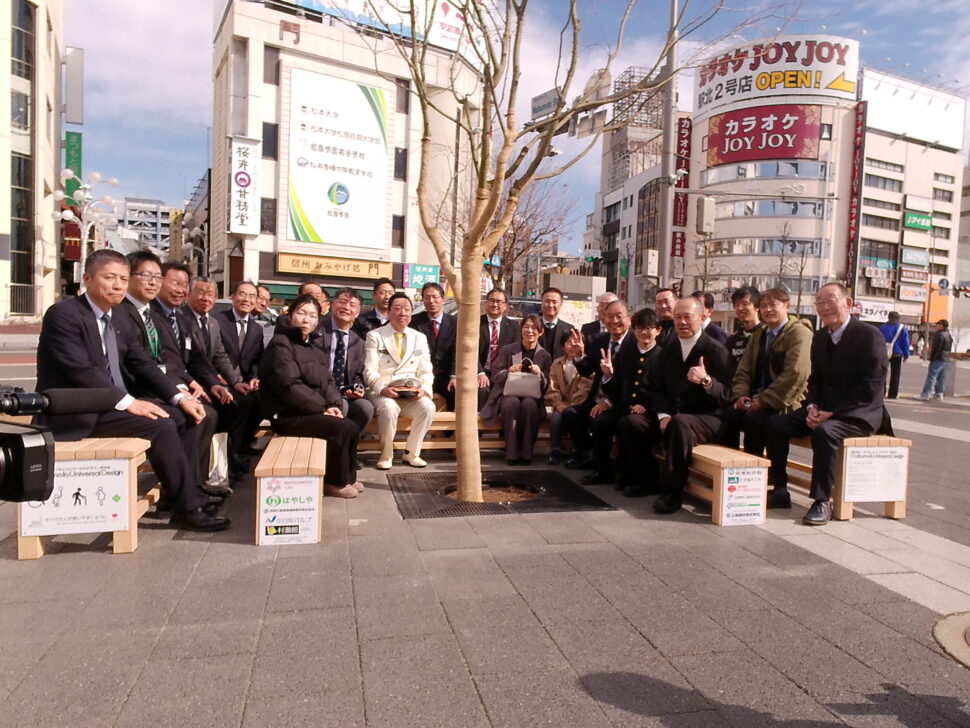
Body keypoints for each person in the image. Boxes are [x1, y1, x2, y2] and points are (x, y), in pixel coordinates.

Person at [34, 250, 229, 532]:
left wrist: (180, 397)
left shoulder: (119, 318)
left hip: (110, 406)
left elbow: (143, 363)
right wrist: (128, 402)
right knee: (160, 425)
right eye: (109, 277)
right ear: (87, 279)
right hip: (78, 411)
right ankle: (187, 508)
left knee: (183, 416)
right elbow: (82, 372)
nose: (118, 285)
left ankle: (181, 497)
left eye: (123, 279)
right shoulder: (64, 315)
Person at [764, 283, 887, 526]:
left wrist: (834, 413)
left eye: (830, 300)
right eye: (819, 302)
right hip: (824, 410)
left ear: (848, 303)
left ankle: (821, 501)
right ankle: (779, 489)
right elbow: (815, 379)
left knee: (825, 433)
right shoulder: (820, 337)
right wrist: (812, 406)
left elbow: (872, 384)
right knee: (776, 424)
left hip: (858, 413)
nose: (824, 307)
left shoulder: (869, 336)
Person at [118, 251, 218, 494]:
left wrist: (199, 382)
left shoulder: (172, 317)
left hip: (164, 384)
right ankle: (180, 493)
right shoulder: (128, 313)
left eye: (157, 277)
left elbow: (184, 359)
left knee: (209, 413)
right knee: (191, 416)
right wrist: (180, 389)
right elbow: (144, 364)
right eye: (147, 276)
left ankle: (195, 484)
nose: (154, 282)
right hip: (138, 392)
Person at [258, 294, 362, 498]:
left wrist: (334, 404)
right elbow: (290, 386)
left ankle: (348, 477)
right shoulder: (281, 342)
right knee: (343, 428)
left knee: (349, 425)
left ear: (318, 320)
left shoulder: (310, 343)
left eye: (312, 316)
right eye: (301, 313)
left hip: (309, 409)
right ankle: (334, 482)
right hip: (287, 413)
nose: (306, 320)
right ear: (290, 315)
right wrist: (322, 408)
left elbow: (327, 381)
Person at [727, 288, 812, 508]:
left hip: (788, 401)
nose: (767, 310)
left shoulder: (799, 333)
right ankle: (738, 477)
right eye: (763, 305)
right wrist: (741, 395)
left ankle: (778, 487)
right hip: (759, 398)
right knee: (730, 415)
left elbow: (795, 375)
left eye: (773, 304)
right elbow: (743, 371)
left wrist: (763, 401)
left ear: (787, 306)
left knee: (761, 421)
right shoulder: (760, 334)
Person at [650, 297, 732, 515]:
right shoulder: (668, 350)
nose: (682, 322)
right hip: (676, 416)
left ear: (702, 316)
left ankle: (672, 492)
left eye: (688, 317)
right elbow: (657, 388)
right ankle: (642, 480)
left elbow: (728, 395)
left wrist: (707, 381)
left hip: (710, 418)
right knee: (634, 423)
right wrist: (663, 415)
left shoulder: (716, 350)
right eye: (678, 317)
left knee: (680, 424)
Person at [182, 276, 258, 480]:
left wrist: (235, 382)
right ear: (188, 293)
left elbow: (219, 356)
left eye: (211, 294)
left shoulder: (212, 323)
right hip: (189, 384)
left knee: (240, 402)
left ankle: (225, 461)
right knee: (219, 410)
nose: (205, 298)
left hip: (212, 382)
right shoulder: (182, 319)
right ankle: (209, 469)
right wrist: (216, 383)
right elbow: (187, 360)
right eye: (200, 292)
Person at [563, 300, 637, 483]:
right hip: (597, 397)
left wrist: (609, 403)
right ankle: (589, 455)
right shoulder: (600, 340)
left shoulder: (635, 343)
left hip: (621, 402)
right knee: (570, 414)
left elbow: (633, 383)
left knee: (600, 422)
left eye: (619, 316)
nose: (614, 320)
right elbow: (587, 370)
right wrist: (580, 355)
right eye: (609, 316)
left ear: (629, 318)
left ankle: (603, 470)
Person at [363, 292, 435, 469]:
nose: (402, 313)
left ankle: (412, 453)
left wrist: (424, 388)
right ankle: (386, 453)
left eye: (407, 309)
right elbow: (369, 370)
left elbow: (426, 370)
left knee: (428, 407)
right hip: (384, 392)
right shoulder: (375, 336)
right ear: (388, 312)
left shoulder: (419, 337)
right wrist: (381, 388)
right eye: (397, 308)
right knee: (388, 407)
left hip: (411, 392)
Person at [479, 315, 552, 465]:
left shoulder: (545, 356)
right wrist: (508, 371)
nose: (529, 331)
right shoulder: (508, 350)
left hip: (533, 397)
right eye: (526, 327)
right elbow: (495, 376)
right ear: (520, 329)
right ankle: (511, 453)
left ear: (540, 332)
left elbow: (547, 385)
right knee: (511, 403)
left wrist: (540, 375)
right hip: (508, 394)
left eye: (534, 328)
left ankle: (526, 453)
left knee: (529, 405)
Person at [611, 308, 665, 497]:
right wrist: (608, 376)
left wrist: (648, 406)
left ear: (658, 330)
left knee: (630, 424)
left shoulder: (664, 357)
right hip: (626, 407)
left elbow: (666, 391)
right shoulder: (626, 354)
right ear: (634, 330)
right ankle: (610, 472)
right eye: (640, 328)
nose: (644, 332)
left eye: (649, 328)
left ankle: (645, 480)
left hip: (653, 413)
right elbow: (617, 386)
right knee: (602, 421)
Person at [318, 287, 374, 433]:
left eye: (352, 305)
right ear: (333, 305)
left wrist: (357, 388)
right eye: (342, 302)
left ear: (357, 313)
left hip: (344, 393)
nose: (346, 308)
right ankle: (333, 449)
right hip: (320, 391)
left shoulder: (358, 342)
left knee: (365, 407)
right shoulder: (318, 332)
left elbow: (357, 375)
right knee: (343, 405)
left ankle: (349, 445)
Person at [544, 331, 594, 466]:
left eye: (576, 342)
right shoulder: (557, 363)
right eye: (568, 342)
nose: (572, 345)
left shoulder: (587, 363)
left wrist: (573, 404)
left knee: (573, 416)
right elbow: (552, 386)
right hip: (562, 403)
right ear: (562, 346)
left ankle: (579, 451)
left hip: (579, 404)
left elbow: (586, 387)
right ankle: (555, 450)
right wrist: (557, 403)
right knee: (555, 419)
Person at [410, 281, 457, 410]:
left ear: (443, 299)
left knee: (456, 393)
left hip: (446, 375)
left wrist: (454, 375)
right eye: (427, 297)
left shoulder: (455, 322)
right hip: (420, 375)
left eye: (435, 297)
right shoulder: (414, 322)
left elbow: (456, 352)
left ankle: (451, 430)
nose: (431, 301)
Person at [478, 288, 519, 408]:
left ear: (505, 305)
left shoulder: (513, 326)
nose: (495, 304)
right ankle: (481, 425)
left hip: (504, 372)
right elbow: (471, 352)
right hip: (482, 371)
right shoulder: (477, 323)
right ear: (486, 303)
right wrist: (479, 372)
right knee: (482, 391)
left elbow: (515, 353)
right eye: (491, 300)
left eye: (499, 301)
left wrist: (506, 373)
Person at [725, 286, 763, 375]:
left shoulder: (766, 335)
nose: (740, 308)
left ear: (757, 307)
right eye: (737, 305)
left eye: (745, 304)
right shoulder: (732, 340)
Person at [918, 319, 952, 401]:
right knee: (941, 377)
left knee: (931, 376)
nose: (936, 326)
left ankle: (926, 393)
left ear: (942, 325)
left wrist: (932, 358)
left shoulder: (939, 335)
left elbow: (936, 348)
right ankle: (939, 394)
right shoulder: (949, 335)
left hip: (938, 358)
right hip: (945, 358)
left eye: (938, 324)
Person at [539, 287, 575, 360]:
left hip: (560, 370)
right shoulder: (533, 326)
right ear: (541, 303)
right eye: (547, 301)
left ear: (561, 305)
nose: (550, 305)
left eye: (554, 302)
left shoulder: (569, 329)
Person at [879, 312, 909, 400]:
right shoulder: (902, 328)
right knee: (895, 374)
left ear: (888, 318)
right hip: (897, 354)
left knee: (882, 373)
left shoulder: (882, 328)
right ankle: (893, 394)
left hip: (884, 352)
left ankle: (881, 393)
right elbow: (905, 343)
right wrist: (906, 355)